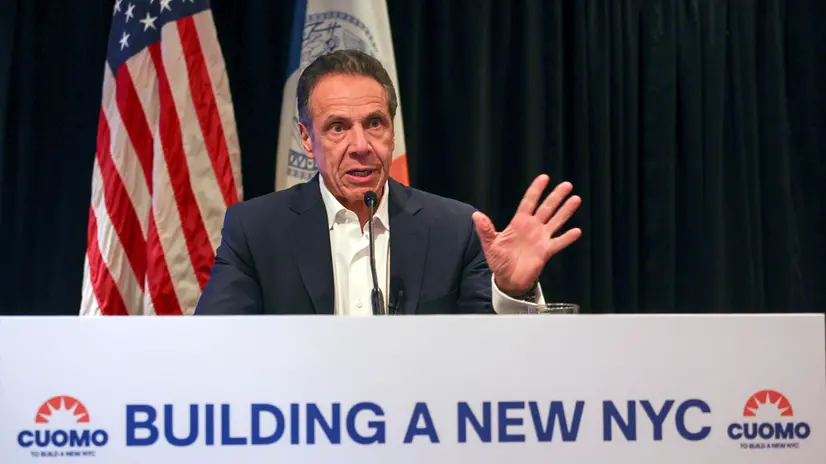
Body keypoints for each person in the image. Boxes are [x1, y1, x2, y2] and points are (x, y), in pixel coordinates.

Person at [194, 49, 581, 316]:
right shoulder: (256, 230)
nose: (360, 145)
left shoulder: (453, 229)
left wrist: (511, 291)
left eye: (374, 123)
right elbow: (215, 349)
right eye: (338, 127)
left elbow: (494, 361)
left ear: (392, 130)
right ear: (307, 138)